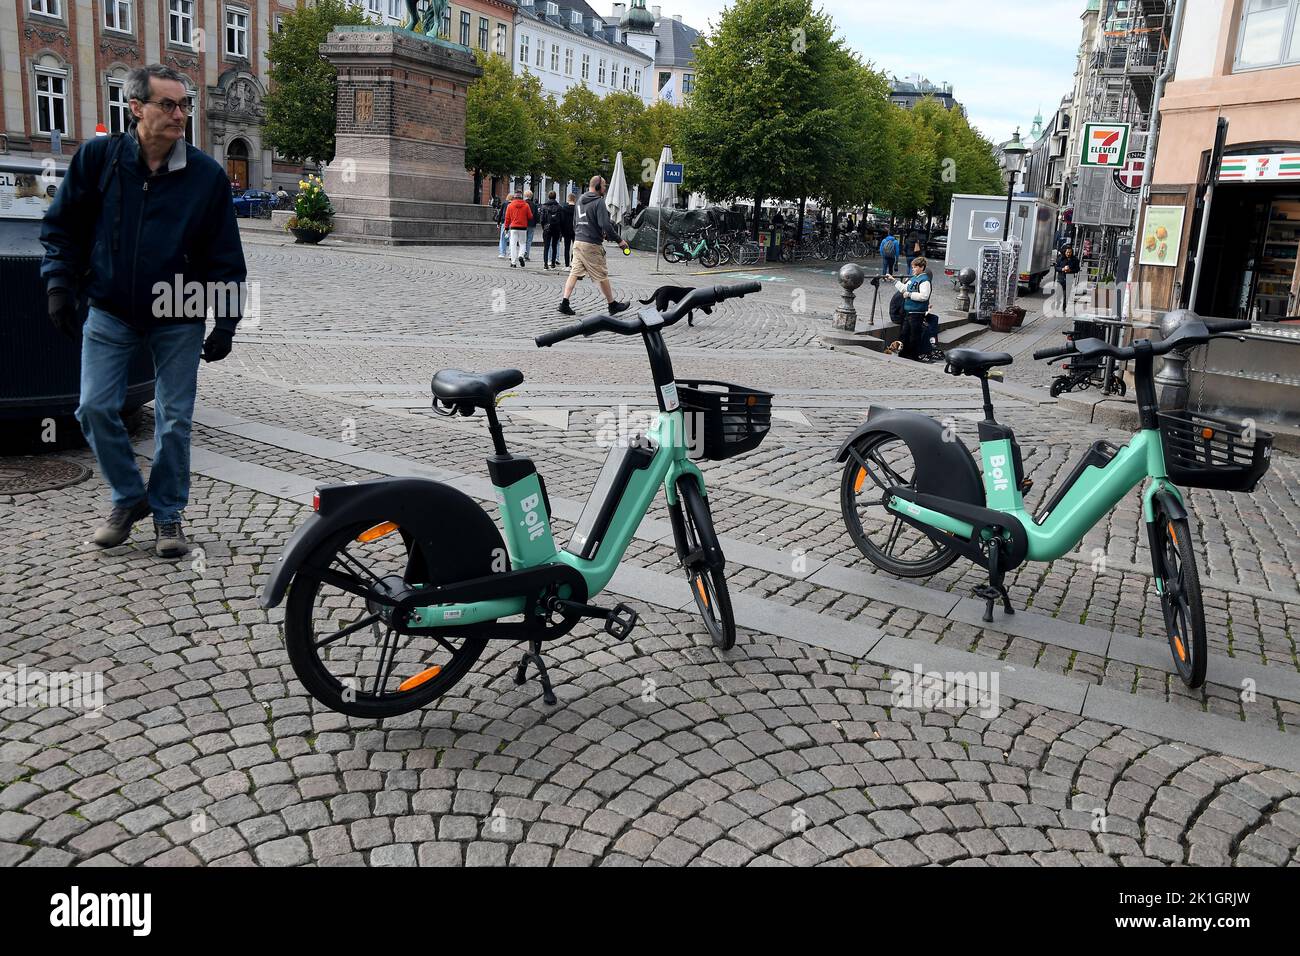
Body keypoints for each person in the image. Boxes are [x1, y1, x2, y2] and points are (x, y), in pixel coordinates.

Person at [40, 64, 246, 558]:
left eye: (185, 106)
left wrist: (226, 323)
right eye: (169, 105)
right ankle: (130, 498)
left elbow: (226, 254)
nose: (181, 115)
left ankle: (169, 515)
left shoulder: (205, 176)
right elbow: (61, 228)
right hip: (111, 308)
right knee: (93, 408)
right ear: (135, 108)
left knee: (175, 420)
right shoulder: (98, 160)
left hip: (179, 310)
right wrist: (59, 287)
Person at [558, 175, 630, 316]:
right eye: (603, 186)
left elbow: (575, 222)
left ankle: (564, 303)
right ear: (597, 187)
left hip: (578, 242)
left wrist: (581, 233)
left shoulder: (579, 200)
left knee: (574, 272)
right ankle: (612, 305)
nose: (605, 188)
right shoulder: (599, 202)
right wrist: (620, 241)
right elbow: (605, 225)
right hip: (591, 244)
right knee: (601, 274)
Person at [889, 257, 932, 361]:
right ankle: (903, 355)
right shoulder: (913, 279)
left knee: (914, 336)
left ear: (922, 267)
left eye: (915, 267)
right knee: (904, 334)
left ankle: (912, 356)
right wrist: (894, 281)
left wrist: (909, 294)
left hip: (917, 313)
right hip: (909, 312)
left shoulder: (925, 281)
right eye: (912, 267)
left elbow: (924, 296)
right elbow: (904, 288)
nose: (913, 269)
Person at [504, 191, 533, 267]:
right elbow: (530, 216)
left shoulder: (510, 205)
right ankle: (521, 255)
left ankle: (513, 262)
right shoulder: (526, 205)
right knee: (522, 243)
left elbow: (507, 218)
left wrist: (506, 227)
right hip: (523, 227)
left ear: (514, 197)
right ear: (521, 197)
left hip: (513, 227)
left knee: (513, 244)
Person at [1054, 243, 1080, 316]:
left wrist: (1070, 270)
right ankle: (1058, 304)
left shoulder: (1075, 259)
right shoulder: (1060, 258)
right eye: (1067, 252)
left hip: (1069, 279)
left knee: (1066, 295)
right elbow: (1056, 268)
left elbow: (1077, 269)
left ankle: (1064, 308)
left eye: (1070, 252)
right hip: (1061, 278)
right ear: (1065, 252)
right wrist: (1062, 269)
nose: (1068, 254)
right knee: (1059, 294)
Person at [539, 190, 562, 270]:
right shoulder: (559, 207)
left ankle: (545, 264)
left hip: (547, 228)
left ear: (548, 197)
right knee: (554, 246)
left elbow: (541, 219)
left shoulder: (544, 206)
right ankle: (553, 263)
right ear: (555, 197)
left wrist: (543, 227)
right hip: (556, 228)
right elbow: (561, 219)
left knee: (546, 246)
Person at [558, 193, 576, 268]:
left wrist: (561, 231)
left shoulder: (564, 208)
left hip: (566, 230)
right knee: (575, 247)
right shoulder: (577, 208)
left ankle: (566, 265)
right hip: (575, 230)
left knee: (567, 247)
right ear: (575, 199)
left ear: (568, 199)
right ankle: (573, 262)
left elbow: (561, 220)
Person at [523, 189, 538, 262]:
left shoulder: (523, 203)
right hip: (531, 224)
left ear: (525, 195)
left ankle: (522, 253)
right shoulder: (534, 205)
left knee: (523, 240)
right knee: (529, 240)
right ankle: (527, 255)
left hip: (523, 224)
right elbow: (536, 216)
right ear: (531, 196)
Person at [496, 191, 512, 259]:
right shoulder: (514, 204)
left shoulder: (504, 204)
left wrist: (498, 222)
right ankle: (511, 254)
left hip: (504, 222)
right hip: (512, 223)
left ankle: (502, 253)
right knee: (512, 239)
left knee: (503, 238)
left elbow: (500, 213)